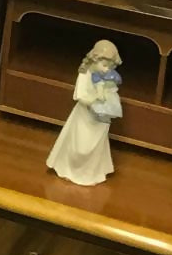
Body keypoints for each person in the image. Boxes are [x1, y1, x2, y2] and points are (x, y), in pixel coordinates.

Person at [46, 39, 123, 185]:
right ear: (94, 59)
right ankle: (71, 169)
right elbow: (81, 97)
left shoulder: (108, 75)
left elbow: (112, 91)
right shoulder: (85, 74)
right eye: (104, 65)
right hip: (85, 116)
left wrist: (109, 96)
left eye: (110, 66)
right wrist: (95, 97)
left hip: (100, 118)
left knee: (96, 145)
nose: (107, 69)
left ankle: (91, 172)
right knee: (80, 144)